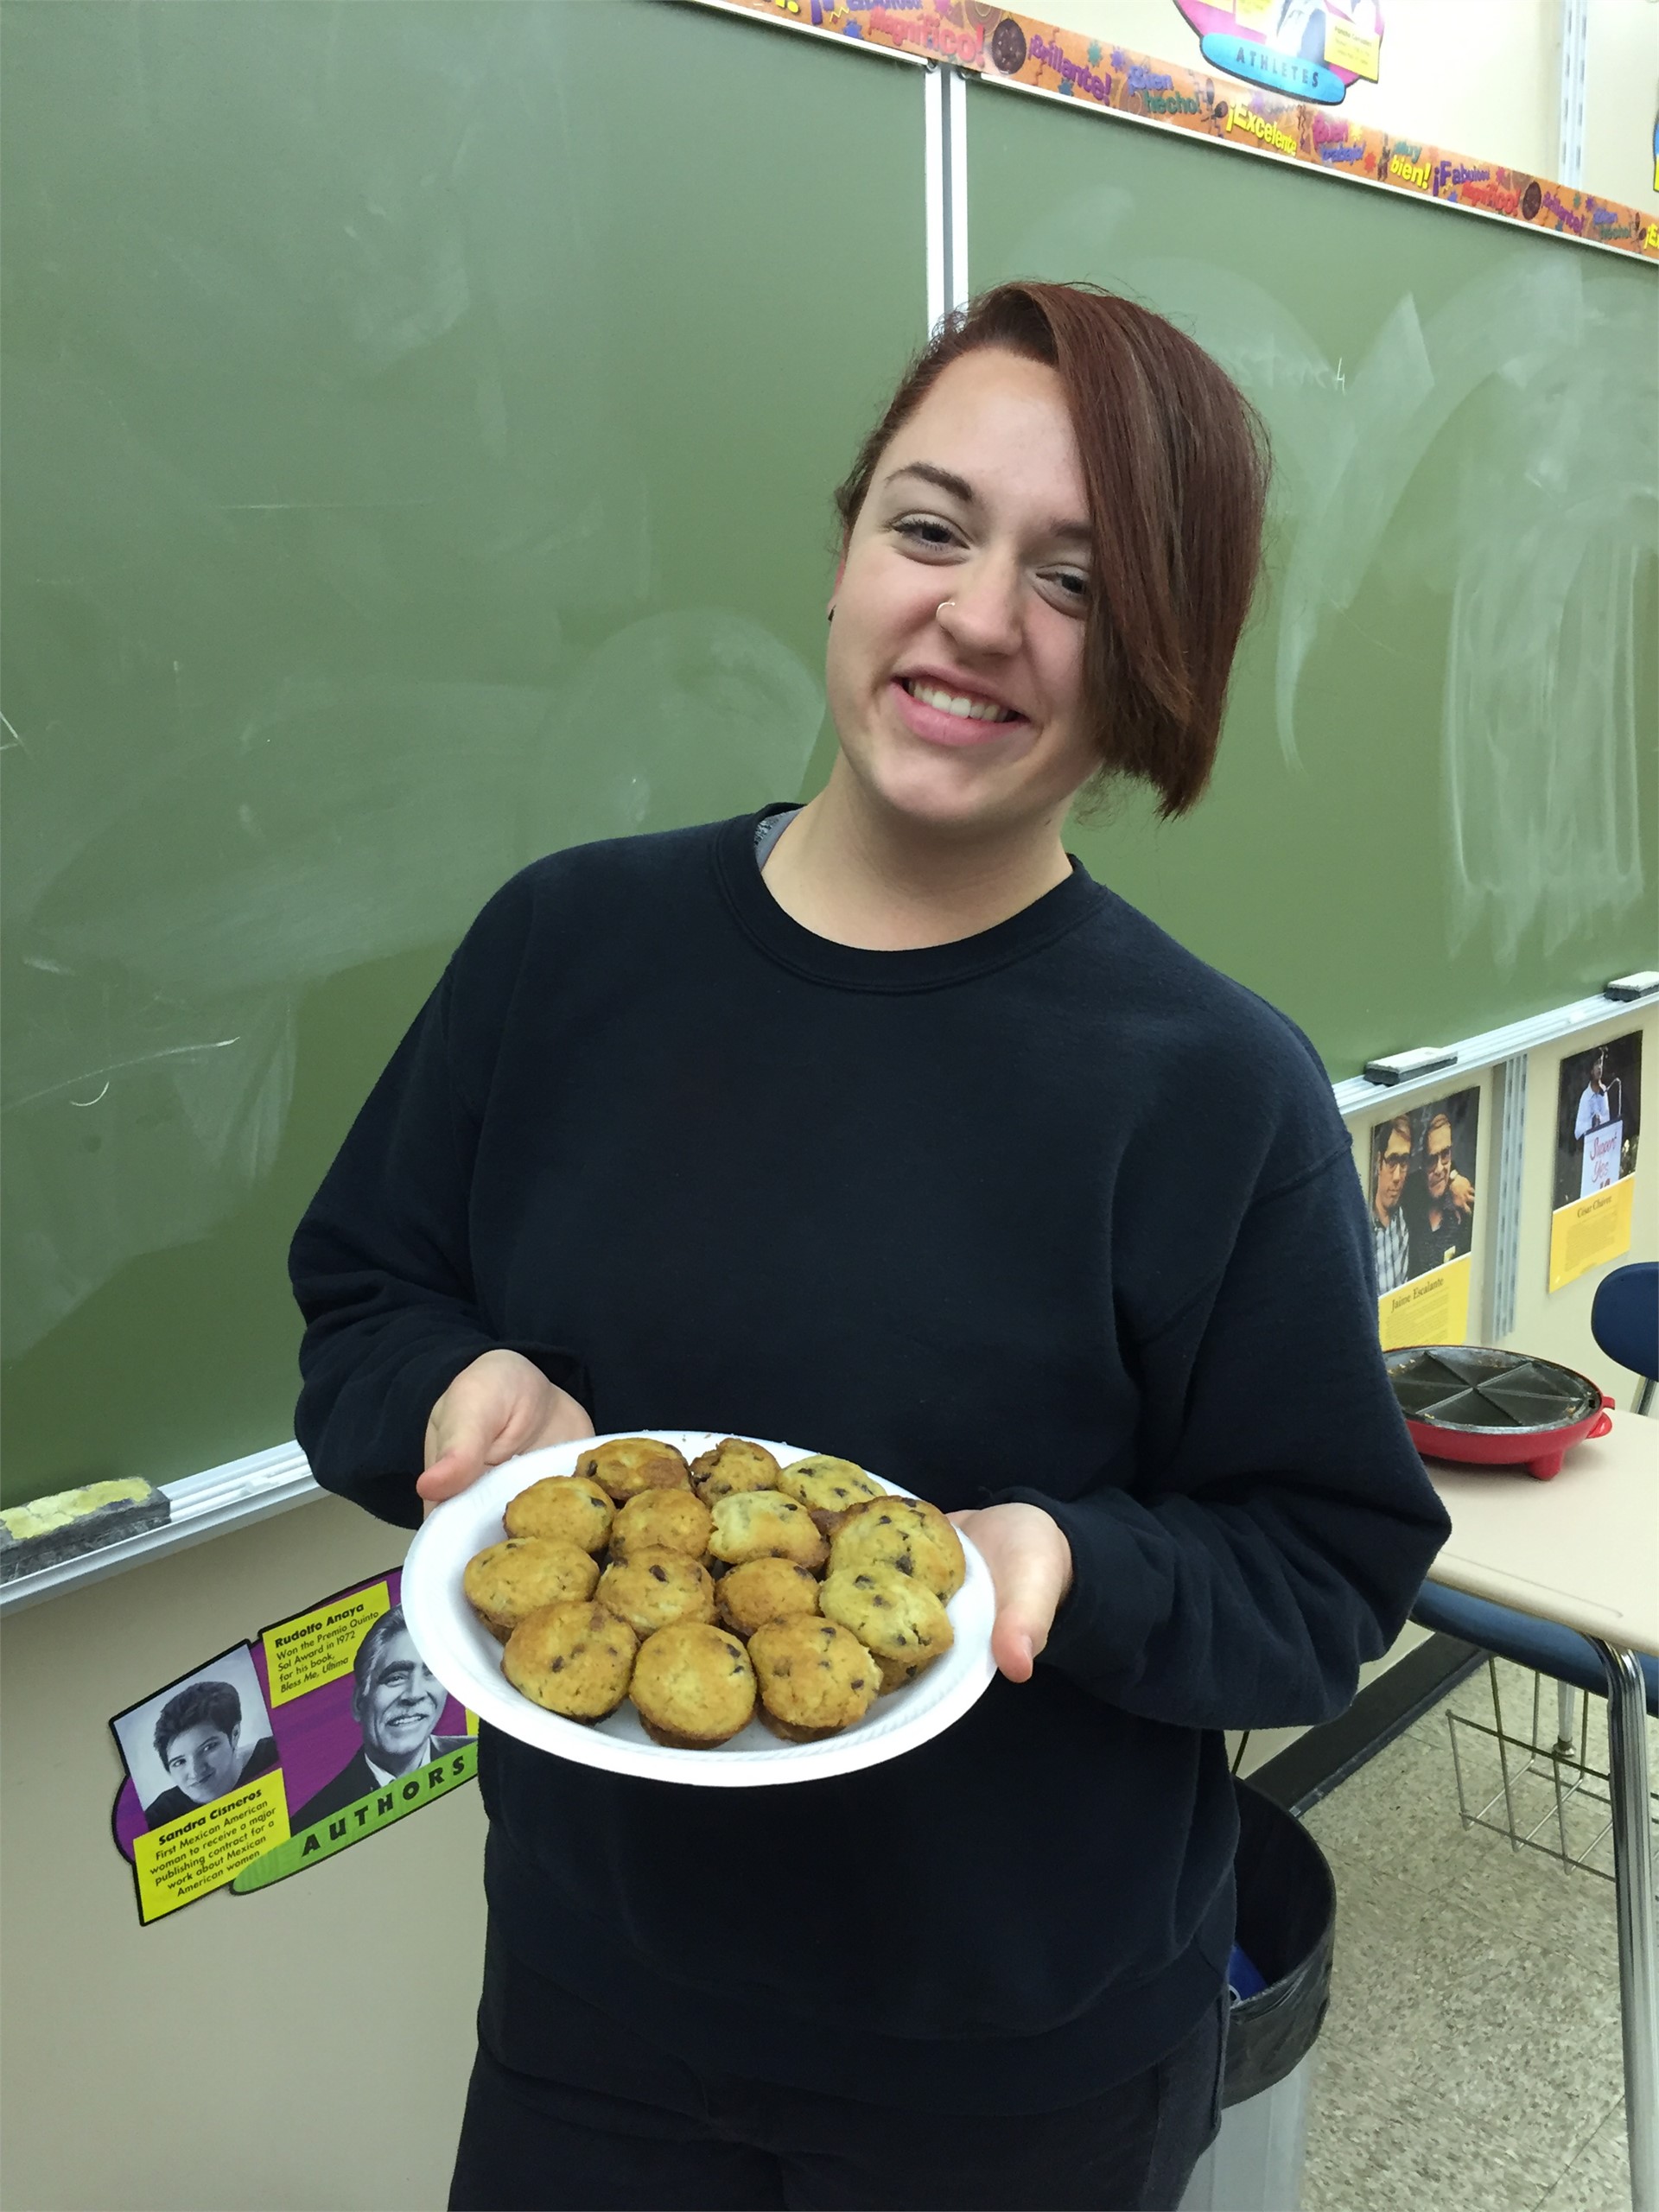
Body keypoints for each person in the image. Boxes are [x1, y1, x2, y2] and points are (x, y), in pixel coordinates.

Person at [290, 282, 1450, 2212]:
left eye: (1078, 581)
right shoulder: (567, 954)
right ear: (844, 557)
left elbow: (1328, 1568)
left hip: (1018, 2071)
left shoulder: (1213, 1089)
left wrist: (1068, 1559)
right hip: (598, 2007)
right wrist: (448, 1389)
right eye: (931, 527)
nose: (981, 616)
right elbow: (365, 1299)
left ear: (1158, 656)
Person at [289, 1606, 468, 1832]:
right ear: (358, 1703)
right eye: (395, 1678)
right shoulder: (313, 1822)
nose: (414, 1694)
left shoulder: (481, 1753)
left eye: (430, 1672)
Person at [142, 1678, 279, 1830]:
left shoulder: (276, 1753)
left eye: (208, 1748)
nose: (196, 1771)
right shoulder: (159, 1817)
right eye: (179, 1762)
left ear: (235, 1734)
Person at [1402, 1108, 1473, 1277]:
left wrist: (1454, 1176)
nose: (1440, 1168)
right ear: (1420, 1161)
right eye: (1431, 1160)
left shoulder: (1463, 1203)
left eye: (1445, 1155)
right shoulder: (1407, 1198)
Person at [1370, 1114, 1414, 1294]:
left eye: (1403, 1162)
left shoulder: (1405, 1216)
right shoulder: (1363, 1227)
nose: (1397, 1177)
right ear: (1379, 1162)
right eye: (1392, 1161)